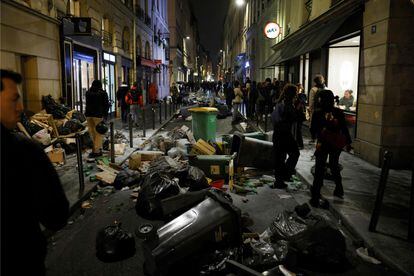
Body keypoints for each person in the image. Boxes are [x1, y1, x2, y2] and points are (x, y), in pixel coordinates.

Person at [1, 69, 69, 276]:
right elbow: (56, 214)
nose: (21, 107)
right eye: (14, 100)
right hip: (18, 260)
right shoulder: (22, 150)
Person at [310, 90, 352, 208]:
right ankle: (339, 189)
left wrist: (318, 133)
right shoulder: (338, 112)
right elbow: (344, 128)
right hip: (335, 144)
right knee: (334, 166)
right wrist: (348, 143)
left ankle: (315, 195)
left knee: (319, 168)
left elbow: (313, 130)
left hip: (323, 143)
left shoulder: (318, 113)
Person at [271, 84, 300, 189]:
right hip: (284, 134)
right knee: (294, 153)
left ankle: (279, 180)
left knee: (280, 157)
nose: (297, 95)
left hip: (278, 133)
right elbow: (293, 118)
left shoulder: (281, 103)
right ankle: (284, 175)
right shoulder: (287, 104)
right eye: (296, 93)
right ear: (292, 94)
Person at [85, 79, 109, 158]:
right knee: (98, 133)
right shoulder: (102, 93)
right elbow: (106, 105)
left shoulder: (88, 93)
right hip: (98, 116)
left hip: (88, 115)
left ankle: (95, 148)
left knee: (92, 133)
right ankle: (97, 151)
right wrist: (105, 115)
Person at [308, 74, 326, 142]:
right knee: (322, 125)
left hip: (316, 111)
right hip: (324, 111)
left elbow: (311, 101)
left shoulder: (313, 90)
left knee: (313, 125)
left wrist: (310, 110)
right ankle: (321, 139)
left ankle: (313, 138)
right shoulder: (326, 89)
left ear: (315, 81)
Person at [295, 83, 307, 149]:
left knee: (298, 129)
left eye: (299, 88)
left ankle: (300, 144)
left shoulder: (302, 95)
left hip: (299, 114)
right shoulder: (299, 95)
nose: (298, 89)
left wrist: (296, 108)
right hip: (298, 114)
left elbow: (301, 103)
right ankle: (298, 143)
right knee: (297, 129)